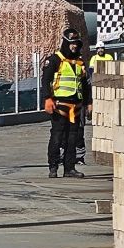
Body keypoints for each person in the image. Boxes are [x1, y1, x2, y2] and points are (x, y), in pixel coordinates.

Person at [39, 32, 88, 178]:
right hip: (59, 104)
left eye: (76, 44)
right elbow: (45, 81)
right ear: (65, 43)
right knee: (57, 135)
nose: (74, 46)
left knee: (73, 137)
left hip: (76, 106)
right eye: (72, 43)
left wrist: (88, 102)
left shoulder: (80, 63)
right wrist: (47, 99)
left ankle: (69, 168)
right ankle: (53, 167)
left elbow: (85, 85)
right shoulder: (55, 60)